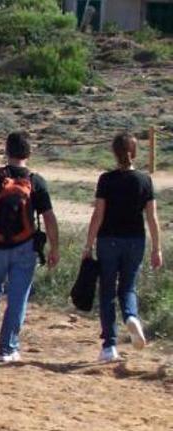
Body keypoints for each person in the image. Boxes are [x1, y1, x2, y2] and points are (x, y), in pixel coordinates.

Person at [0, 132, 60, 363]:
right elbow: (49, 217)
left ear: (7, 151)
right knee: (18, 298)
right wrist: (54, 248)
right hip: (25, 247)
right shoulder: (36, 181)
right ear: (29, 153)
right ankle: (8, 348)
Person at [83, 133, 162, 362]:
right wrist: (157, 248)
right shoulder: (144, 180)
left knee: (107, 291)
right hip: (135, 240)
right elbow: (152, 217)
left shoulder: (106, 180)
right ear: (135, 152)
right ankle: (130, 317)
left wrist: (89, 245)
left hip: (108, 240)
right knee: (128, 288)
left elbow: (98, 215)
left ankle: (109, 346)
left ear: (114, 153)